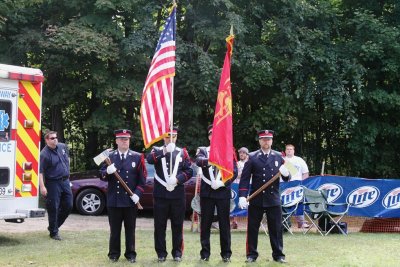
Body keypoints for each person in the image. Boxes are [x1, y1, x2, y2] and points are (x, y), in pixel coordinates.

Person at [238, 130, 291, 264]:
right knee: (253, 229)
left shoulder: (280, 156)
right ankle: (251, 255)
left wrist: (286, 173)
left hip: (273, 198)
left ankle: (279, 255)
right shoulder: (252, 156)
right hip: (256, 199)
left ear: (272, 141)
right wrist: (242, 196)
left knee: (276, 229)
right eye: (263, 139)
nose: (266, 142)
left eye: (268, 139)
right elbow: (244, 179)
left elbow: (289, 177)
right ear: (260, 141)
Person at [146, 127, 193, 262]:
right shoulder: (157, 150)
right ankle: (161, 253)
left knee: (177, 225)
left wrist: (178, 179)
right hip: (161, 195)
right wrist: (165, 150)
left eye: (173, 136)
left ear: (176, 137)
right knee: (159, 225)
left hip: (177, 194)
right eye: (167, 136)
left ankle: (177, 253)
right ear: (163, 137)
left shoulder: (182, 152)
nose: (170, 139)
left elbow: (189, 171)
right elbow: (149, 159)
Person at [100, 129, 146, 263]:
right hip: (114, 200)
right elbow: (102, 174)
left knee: (130, 229)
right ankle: (113, 254)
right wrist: (107, 171)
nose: (124, 141)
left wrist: (137, 194)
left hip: (130, 201)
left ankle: (131, 254)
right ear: (116, 141)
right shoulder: (109, 156)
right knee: (114, 230)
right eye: (121, 139)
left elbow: (142, 181)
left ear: (129, 140)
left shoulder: (137, 157)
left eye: (126, 139)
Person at [195, 125, 237, 262]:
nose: (214, 137)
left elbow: (234, 172)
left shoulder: (229, 151)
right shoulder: (203, 150)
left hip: (222, 192)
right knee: (205, 224)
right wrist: (213, 158)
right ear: (209, 137)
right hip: (207, 192)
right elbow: (199, 161)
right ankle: (205, 254)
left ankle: (226, 254)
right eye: (212, 134)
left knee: (224, 224)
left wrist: (223, 183)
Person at [39, 130, 73, 241]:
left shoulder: (62, 147)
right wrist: (42, 186)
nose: (55, 140)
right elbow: (40, 172)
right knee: (53, 207)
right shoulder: (44, 154)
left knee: (69, 205)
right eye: (52, 138)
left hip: (65, 181)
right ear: (47, 140)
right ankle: (54, 233)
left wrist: (68, 174)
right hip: (53, 183)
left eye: (56, 137)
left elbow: (67, 160)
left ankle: (53, 226)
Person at [283, 144, 310, 228]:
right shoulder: (282, 160)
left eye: (291, 149)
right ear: (285, 151)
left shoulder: (299, 160)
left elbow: (305, 173)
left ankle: (301, 222)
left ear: (294, 150)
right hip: (284, 184)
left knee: (299, 202)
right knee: (283, 203)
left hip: (297, 184)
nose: (289, 150)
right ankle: (284, 222)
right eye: (288, 149)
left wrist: (301, 183)